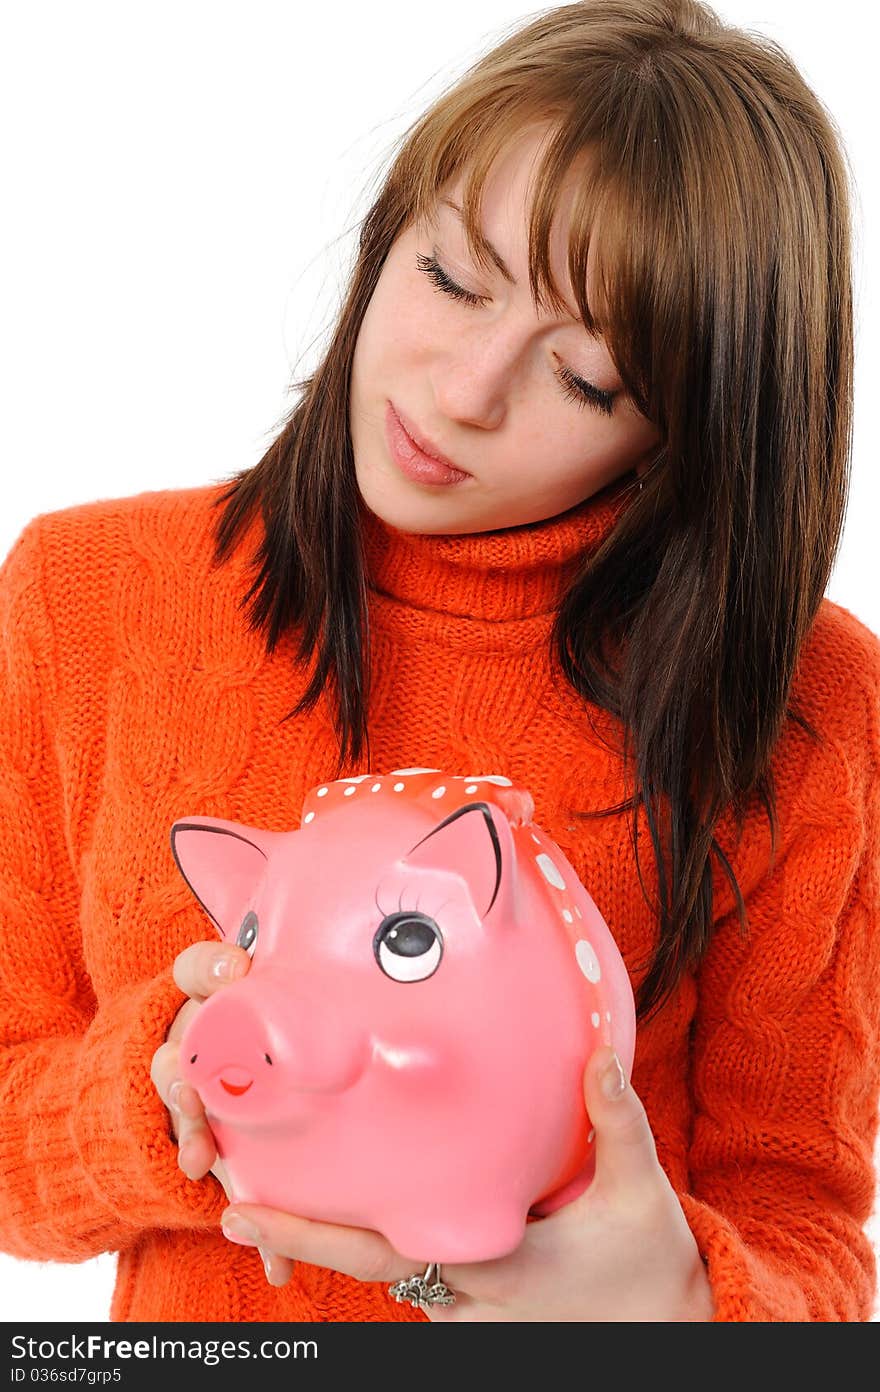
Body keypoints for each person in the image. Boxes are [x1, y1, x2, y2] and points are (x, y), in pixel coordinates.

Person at [0, 0, 878, 1323]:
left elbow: (810, 1232)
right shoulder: (86, 598)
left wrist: (683, 1308)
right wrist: (170, 1085)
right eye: (453, 279)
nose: (465, 389)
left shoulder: (805, 702)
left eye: (585, 378)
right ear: (386, 233)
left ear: (683, 432)